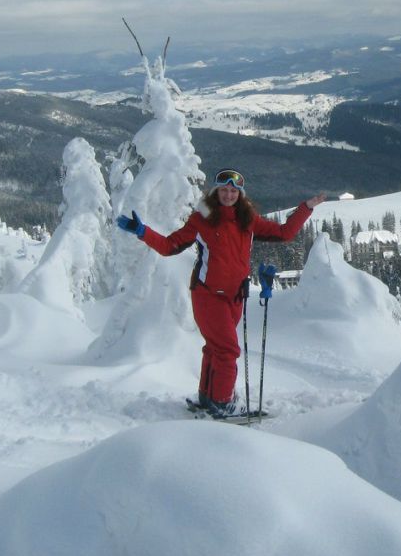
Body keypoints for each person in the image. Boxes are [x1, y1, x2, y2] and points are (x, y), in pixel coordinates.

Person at [117, 168, 326, 417]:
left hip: (234, 298)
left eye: (233, 190)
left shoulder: (247, 220)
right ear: (216, 192)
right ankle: (223, 402)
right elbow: (169, 245)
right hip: (207, 296)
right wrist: (143, 232)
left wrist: (306, 208)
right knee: (227, 350)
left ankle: (209, 396)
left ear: (240, 194)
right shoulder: (201, 219)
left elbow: (284, 233)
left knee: (216, 348)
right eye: (224, 190)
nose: (228, 194)